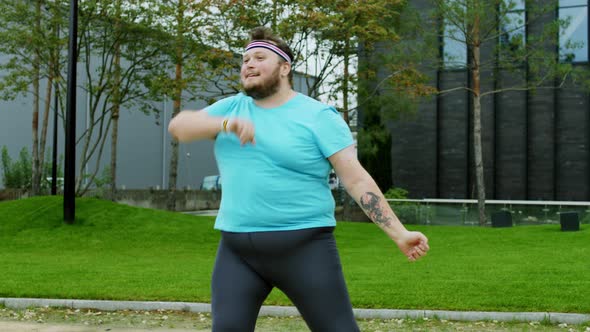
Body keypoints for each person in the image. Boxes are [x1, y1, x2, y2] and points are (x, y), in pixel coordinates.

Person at [168, 26, 429, 332]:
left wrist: (399, 234)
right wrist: (227, 123)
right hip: (237, 251)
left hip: (304, 249)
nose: (249, 64)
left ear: (285, 67)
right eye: (245, 59)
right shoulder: (232, 108)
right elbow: (180, 127)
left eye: (259, 57)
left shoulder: (318, 116)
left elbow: (356, 179)